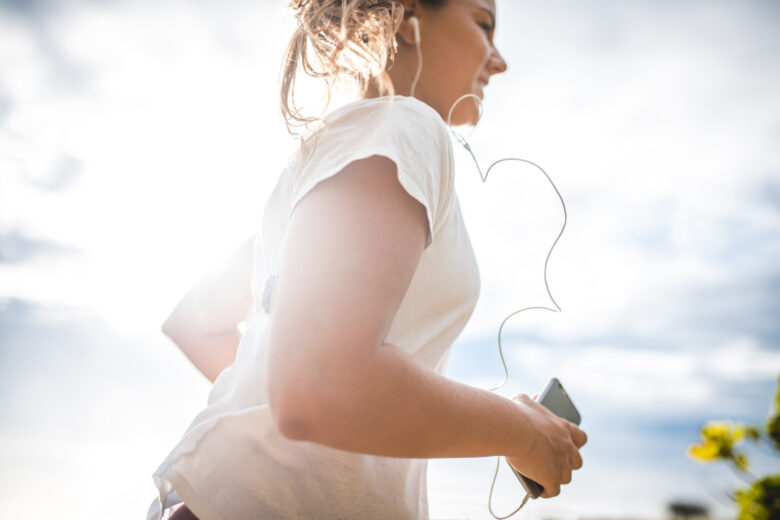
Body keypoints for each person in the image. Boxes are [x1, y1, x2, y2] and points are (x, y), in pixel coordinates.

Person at [148, 0, 587, 519]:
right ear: (406, 19)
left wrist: (326, 419)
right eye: (484, 25)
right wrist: (519, 430)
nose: (498, 60)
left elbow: (200, 324)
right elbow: (322, 385)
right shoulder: (403, 128)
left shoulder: (343, 152)